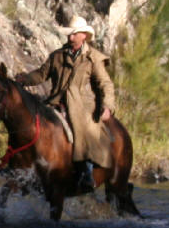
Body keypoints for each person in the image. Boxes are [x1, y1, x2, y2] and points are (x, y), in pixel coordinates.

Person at [15, 16, 116, 192]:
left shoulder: (93, 58)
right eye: (69, 34)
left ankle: (87, 171)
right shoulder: (57, 56)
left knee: (83, 129)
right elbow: (41, 74)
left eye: (74, 34)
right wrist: (25, 79)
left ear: (83, 35)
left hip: (82, 106)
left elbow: (105, 84)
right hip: (55, 102)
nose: (70, 38)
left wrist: (108, 106)